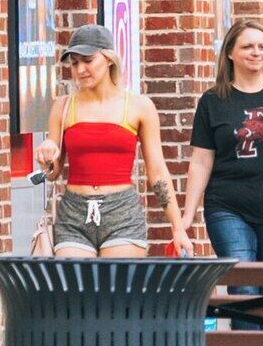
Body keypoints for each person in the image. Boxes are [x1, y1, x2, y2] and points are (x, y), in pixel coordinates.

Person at [185, 18, 263, 346]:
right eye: (248, 46)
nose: (256, 53)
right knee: (244, 287)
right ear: (230, 52)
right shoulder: (214, 101)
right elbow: (202, 160)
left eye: (262, 46)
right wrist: (187, 215)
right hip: (228, 206)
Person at [32, 24, 180, 258]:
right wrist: (47, 157)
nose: (80, 69)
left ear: (108, 59)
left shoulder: (139, 106)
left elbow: (158, 171)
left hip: (121, 211)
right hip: (74, 213)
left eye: (88, 60)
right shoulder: (63, 106)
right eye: (74, 63)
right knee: (76, 290)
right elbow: (54, 173)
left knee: (116, 290)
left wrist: (177, 227)